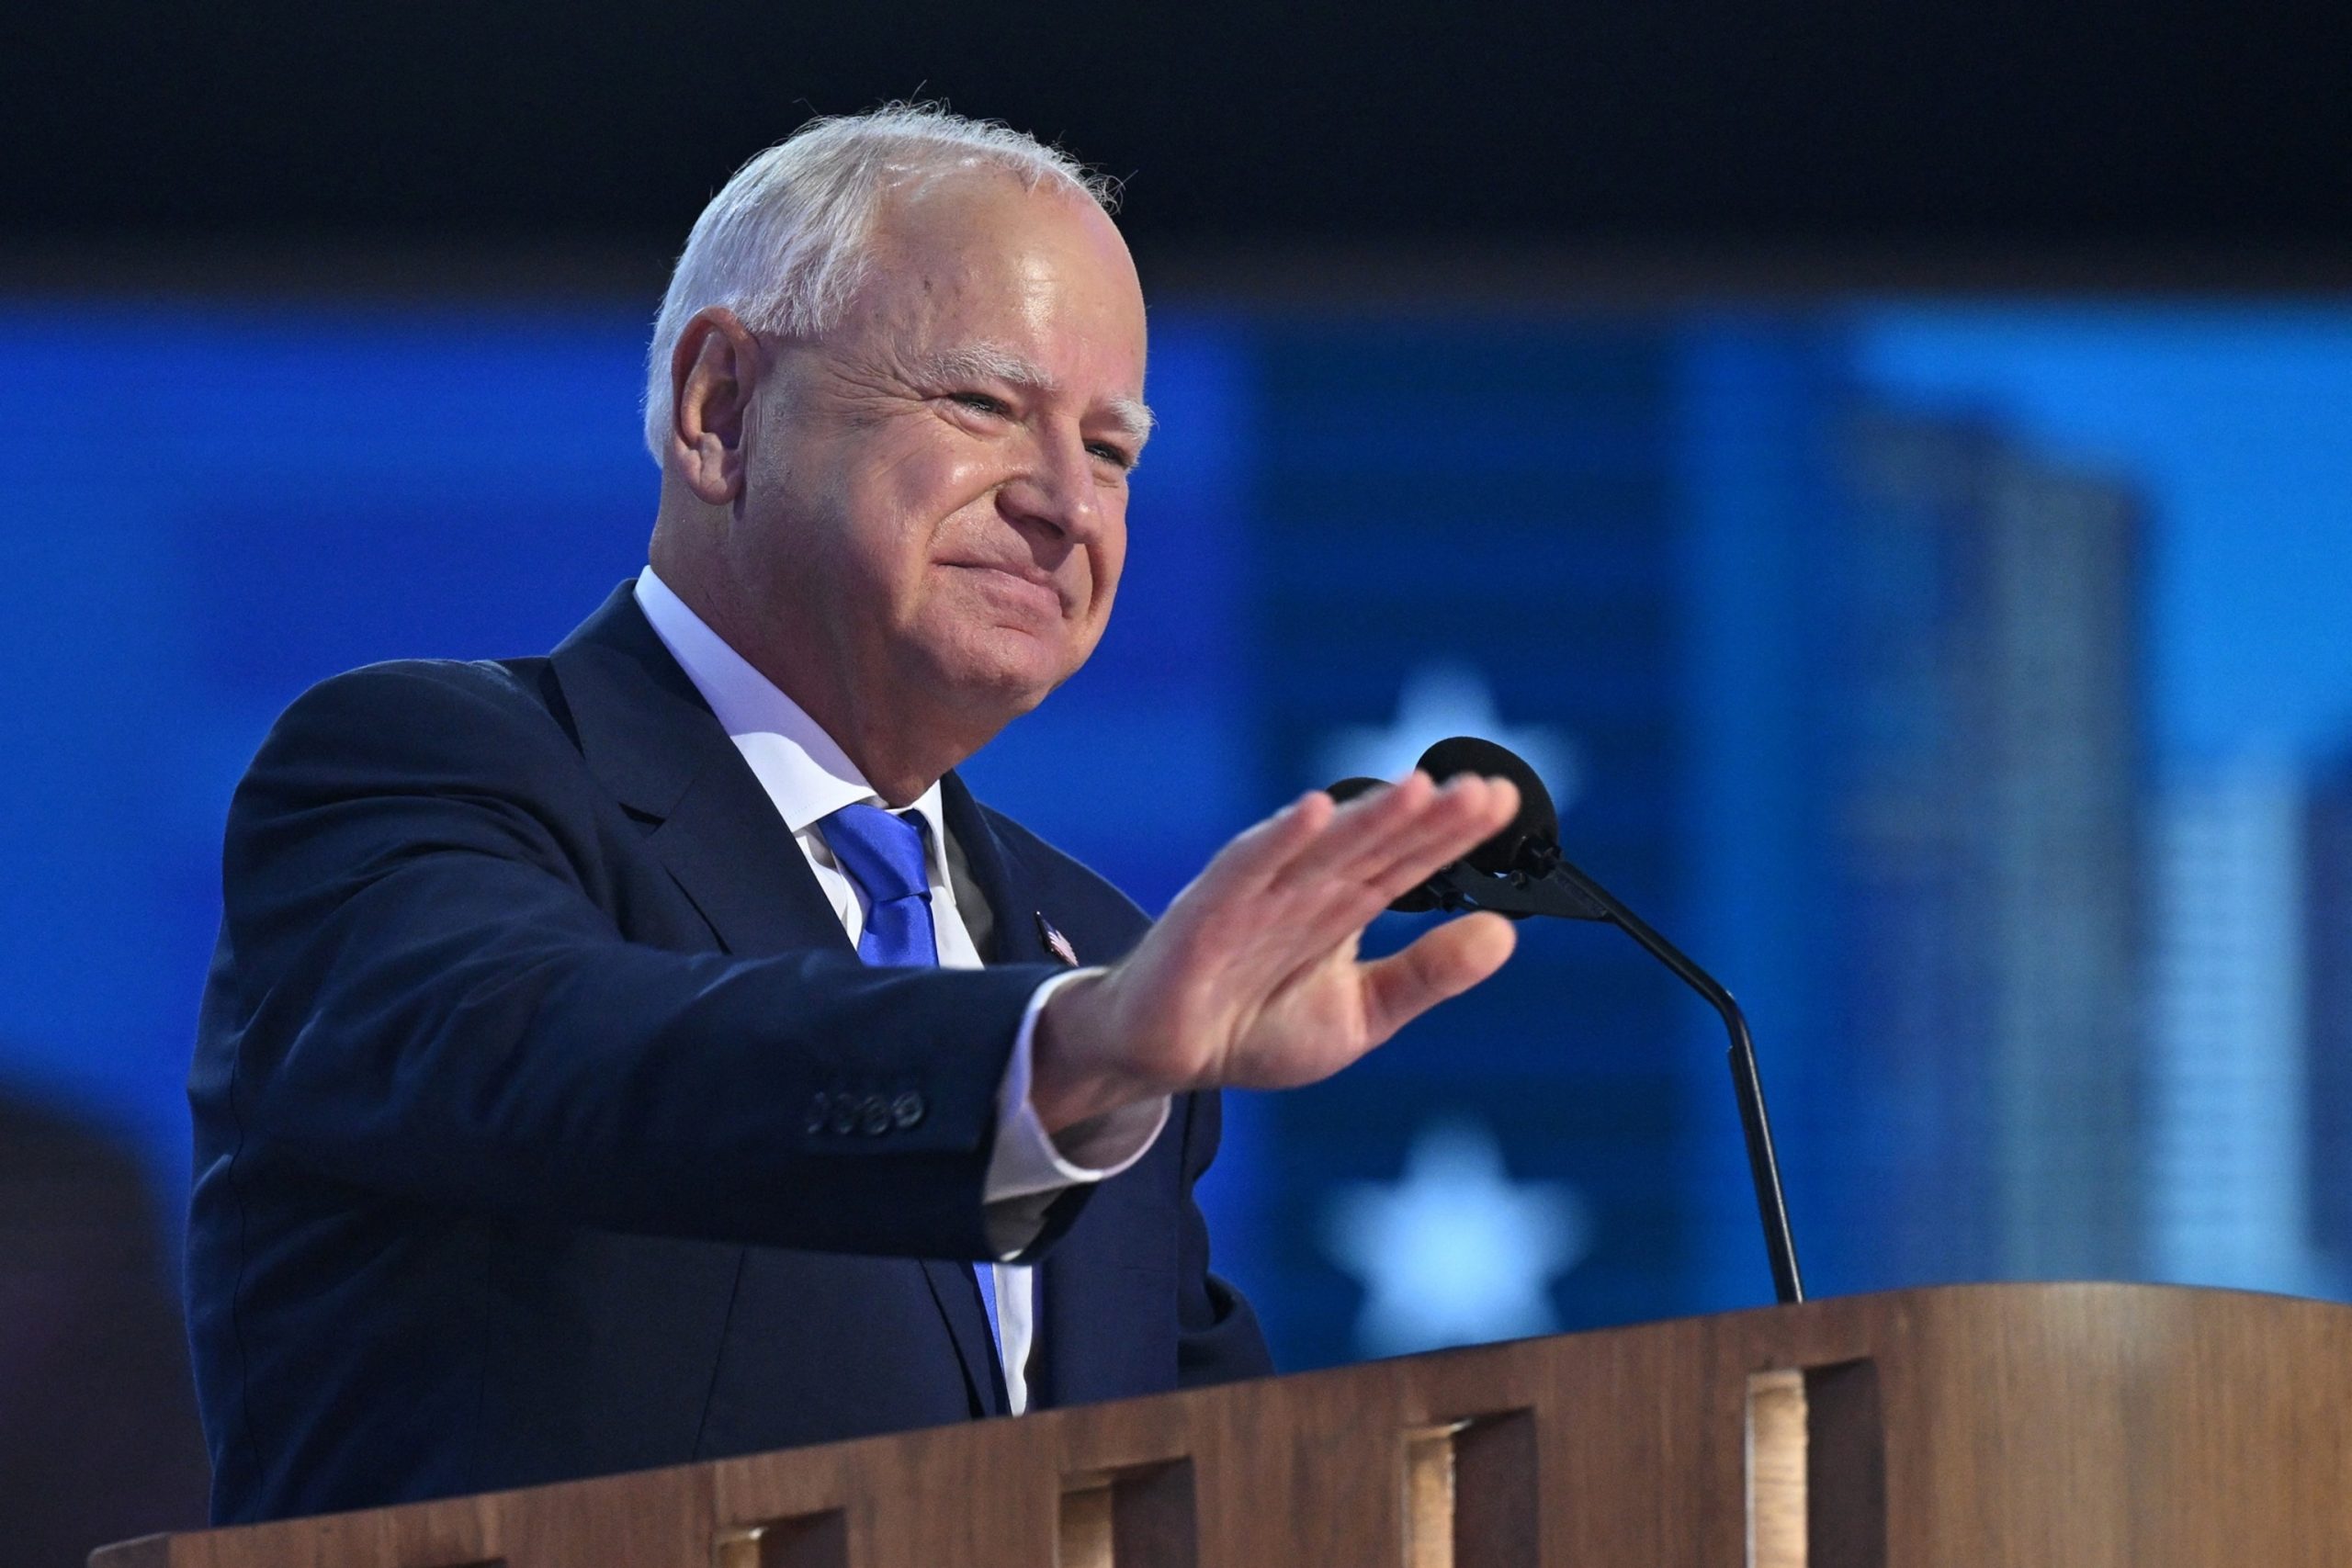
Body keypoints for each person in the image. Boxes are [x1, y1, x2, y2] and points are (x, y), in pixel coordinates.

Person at [187, 106, 1521, 1524]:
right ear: (721, 409)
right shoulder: (427, 770)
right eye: (983, 406)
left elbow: (1201, 1494)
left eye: (1115, 450)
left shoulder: (1093, 952)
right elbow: (574, 1056)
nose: (1071, 505)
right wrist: (1054, 1059)